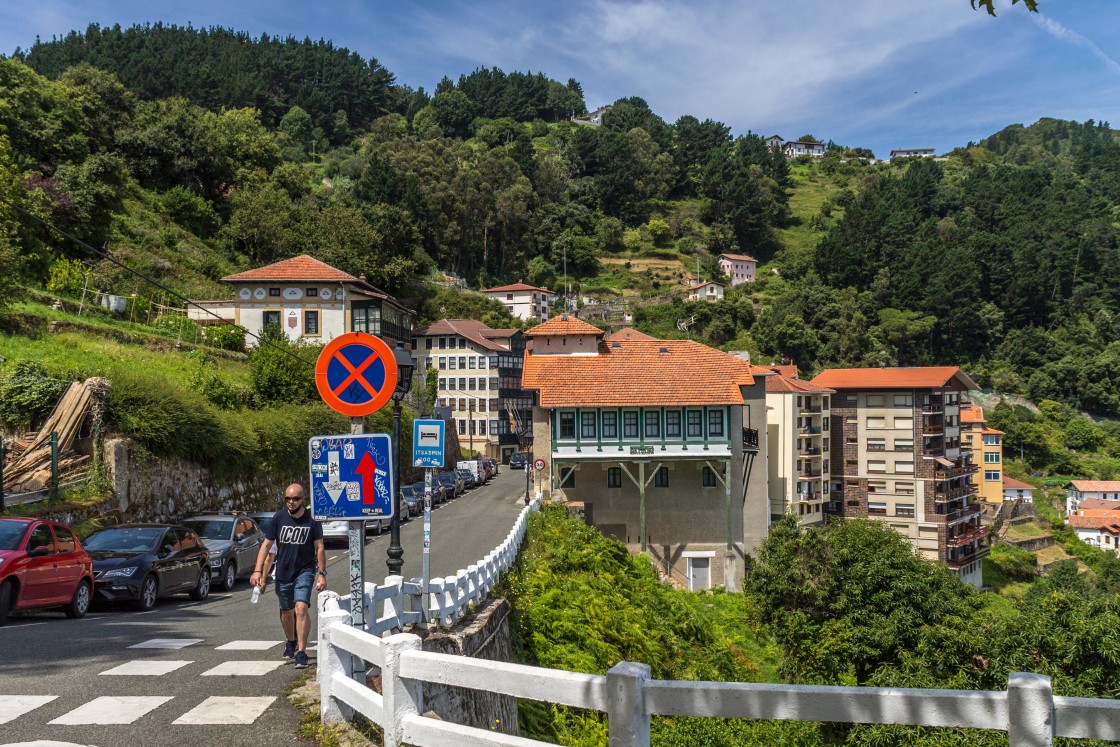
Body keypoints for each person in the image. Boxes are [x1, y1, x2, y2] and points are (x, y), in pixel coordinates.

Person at [251, 483, 326, 669]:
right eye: (288, 499)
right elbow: (267, 547)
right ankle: (291, 641)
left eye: (295, 499)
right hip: (283, 573)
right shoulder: (279, 518)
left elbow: (319, 547)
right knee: (286, 612)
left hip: (305, 570)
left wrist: (322, 573)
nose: (291, 502)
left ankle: (301, 652)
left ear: (303, 499)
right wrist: (258, 571)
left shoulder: (312, 519)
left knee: (300, 608)